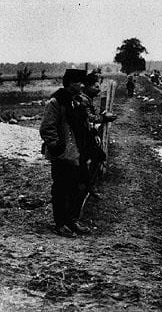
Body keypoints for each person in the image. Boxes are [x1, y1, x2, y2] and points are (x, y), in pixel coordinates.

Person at [40, 69, 92, 237]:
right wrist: (58, 148)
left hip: (77, 152)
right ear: (70, 83)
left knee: (77, 187)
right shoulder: (56, 102)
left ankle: (72, 220)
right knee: (61, 189)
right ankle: (61, 223)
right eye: (79, 82)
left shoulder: (77, 102)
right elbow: (47, 128)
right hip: (63, 154)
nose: (83, 86)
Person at [80, 71, 116, 200]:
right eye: (95, 86)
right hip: (80, 137)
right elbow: (89, 118)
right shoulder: (83, 100)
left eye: (99, 86)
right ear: (87, 86)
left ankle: (87, 184)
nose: (98, 89)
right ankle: (88, 185)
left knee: (94, 156)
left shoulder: (86, 99)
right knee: (97, 156)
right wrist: (103, 117)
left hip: (84, 135)